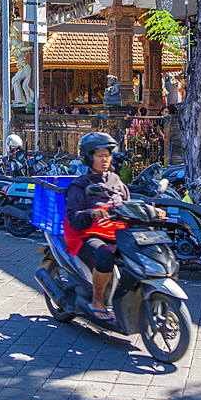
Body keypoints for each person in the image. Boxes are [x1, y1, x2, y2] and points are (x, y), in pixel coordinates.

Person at [63, 132, 130, 321]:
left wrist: (152, 210)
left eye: (107, 155)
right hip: (87, 234)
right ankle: (98, 300)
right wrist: (92, 213)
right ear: (89, 158)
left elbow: (128, 205)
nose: (104, 159)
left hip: (116, 231)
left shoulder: (116, 181)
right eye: (99, 156)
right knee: (104, 256)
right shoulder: (80, 185)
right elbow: (73, 217)